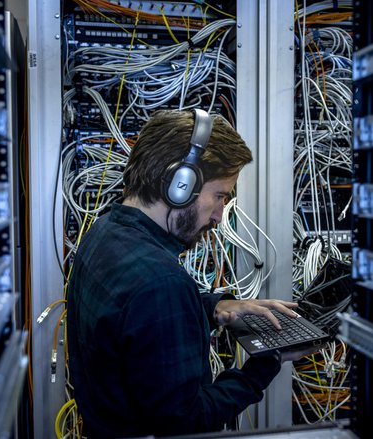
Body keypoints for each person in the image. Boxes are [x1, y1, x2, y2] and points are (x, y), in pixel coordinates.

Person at [67, 109, 314, 438]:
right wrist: (267, 362)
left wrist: (213, 308)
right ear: (179, 186)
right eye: (220, 196)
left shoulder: (105, 231)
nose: (219, 216)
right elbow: (189, 422)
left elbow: (131, 324)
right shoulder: (161, 283)